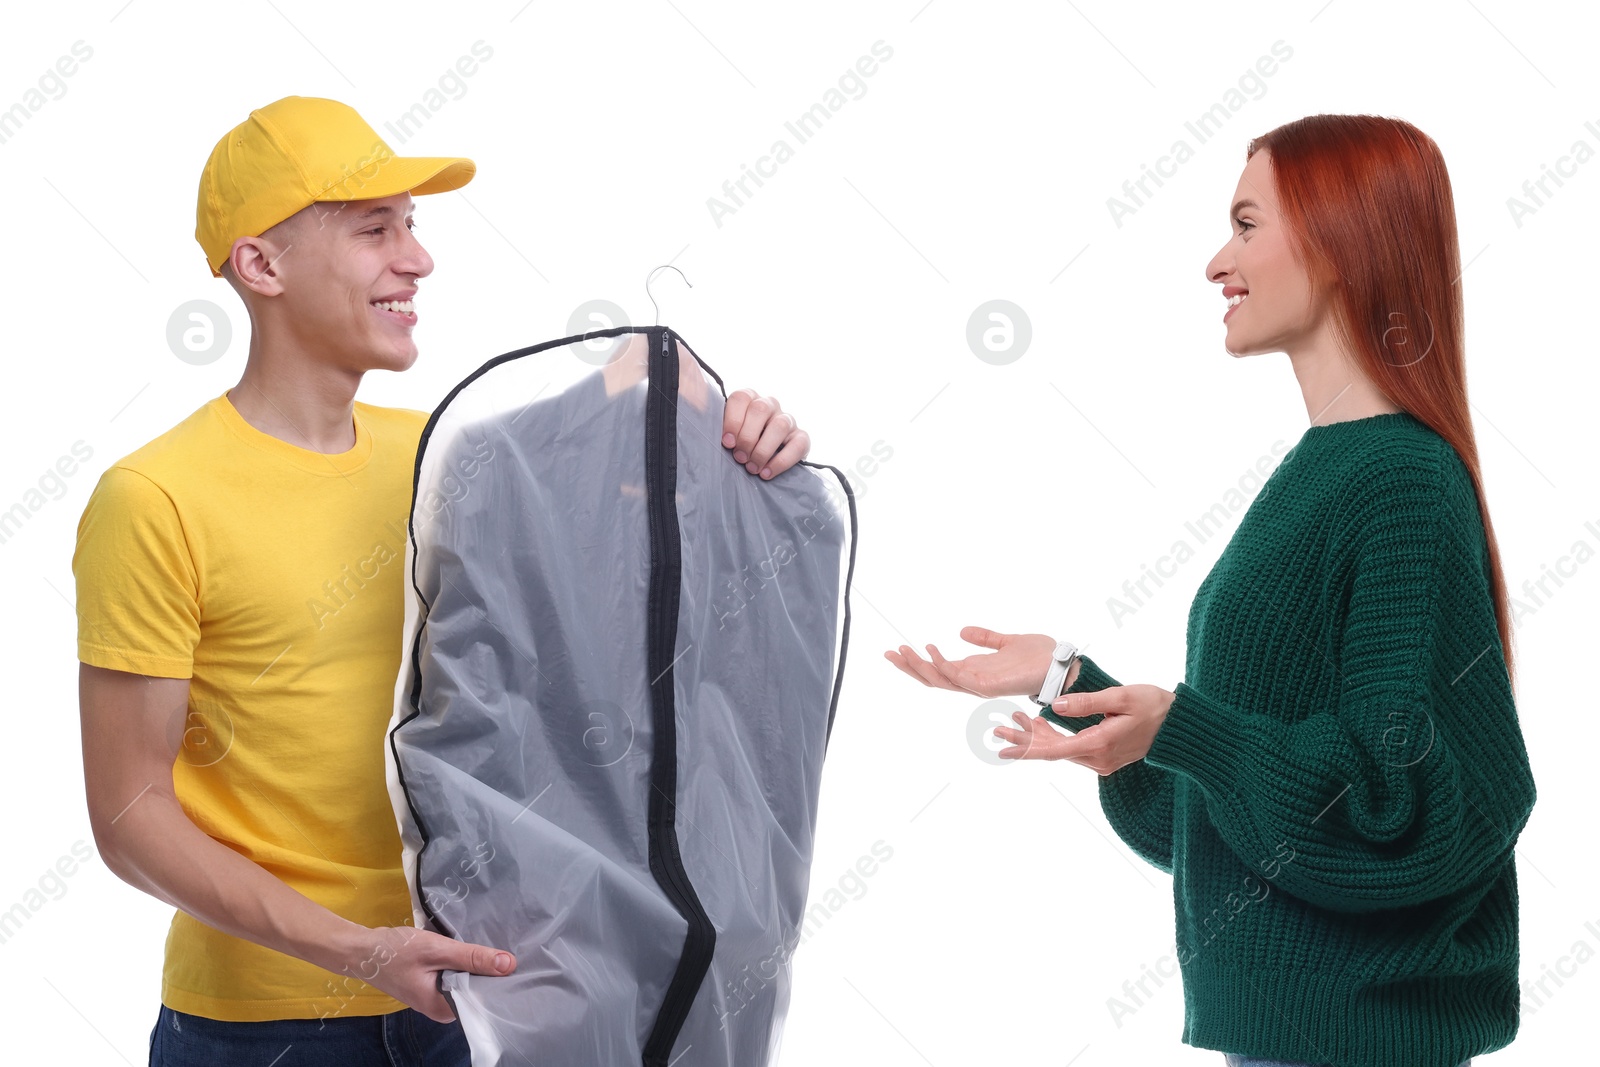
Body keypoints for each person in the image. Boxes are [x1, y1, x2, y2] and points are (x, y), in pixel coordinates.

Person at [72, 96, 812, 1067]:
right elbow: (130, 817)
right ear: (261, 265)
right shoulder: (155, 496)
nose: (416, 260)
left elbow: (626, 579)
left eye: (412, 227)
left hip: (473, 1001)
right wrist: (358, 948)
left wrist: (738, 438)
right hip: (263, 1029)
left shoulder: (446, 456)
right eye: (375, 229)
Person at [886, 114, 1535, 1067]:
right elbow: (1246, 827)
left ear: (1342, 238)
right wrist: (1075, 686)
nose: (1214, 262)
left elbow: (1399, 810)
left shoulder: (1401, 480)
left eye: (1245, 224)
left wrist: (1180, 725)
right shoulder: (1325, 470)